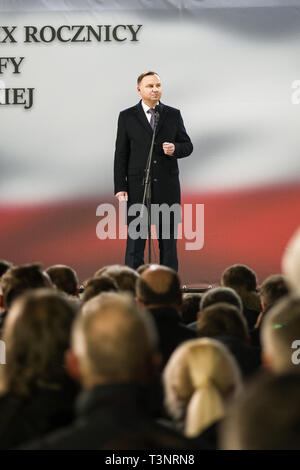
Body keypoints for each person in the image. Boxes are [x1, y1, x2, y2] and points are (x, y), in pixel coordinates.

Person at [114, 71, 193, 271]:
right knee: (135, 245)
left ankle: (168, 287)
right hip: (138, 188)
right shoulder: (127, 116)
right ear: (139, 89)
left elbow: (187, 145)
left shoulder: (172, 114)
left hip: (167, 188)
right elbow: (121, 153)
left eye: (158, 85)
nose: (155, 89)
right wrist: (120, 186)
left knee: (168, 245)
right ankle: (133, 286)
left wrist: (175, 149)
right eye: (150, 86)